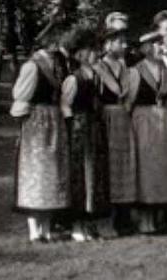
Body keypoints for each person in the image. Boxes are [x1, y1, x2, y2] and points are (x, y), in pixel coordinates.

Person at [10, 20, 71, 242]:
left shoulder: (60, 64)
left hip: (55, 120)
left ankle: (46, 227)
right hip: (37, 122)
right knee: (36, 173)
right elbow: (21, 96)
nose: (58, 43)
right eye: (55, 39)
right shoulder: (32, 66)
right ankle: (34, 229)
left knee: (53, 173)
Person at [125, 31, 167, 234]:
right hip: (143, 122)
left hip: (162, 122)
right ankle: (144, 218)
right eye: (155, 44)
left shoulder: (165, 71)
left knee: (161, 168)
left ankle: (159, 217)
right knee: (145, 169)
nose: (160, 48)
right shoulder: (135, 71)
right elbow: (128, 101)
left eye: (161, 44)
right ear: (145, 48)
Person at [60, 26, 110, 242]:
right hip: (80, 129)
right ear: (80, 54)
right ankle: (77, 224)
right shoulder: (73, 79)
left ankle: (90, 222)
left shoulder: (96, 76)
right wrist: (74, 127)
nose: (95, 54)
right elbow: (65, 105)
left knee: (94, 174)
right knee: (79, 175)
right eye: (90, 50)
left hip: (93, 127)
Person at [93, 15, 136, 236]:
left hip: (123, 120)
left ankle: (123, 216)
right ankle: (107, 218)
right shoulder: (98, 67)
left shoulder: (124, 68)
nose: (125, 46)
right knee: (107, 166)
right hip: (106, 120)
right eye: (120, 42)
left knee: (124, 166)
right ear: (108, 44)